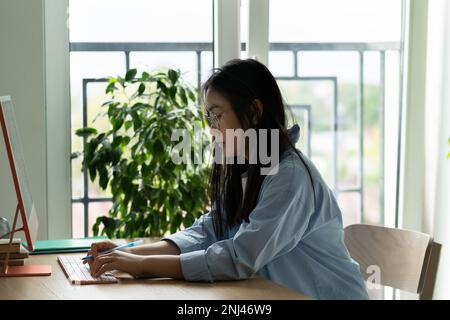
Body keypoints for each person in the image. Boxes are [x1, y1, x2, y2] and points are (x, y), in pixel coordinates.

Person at [85, 58, 369, 300]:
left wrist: (141, 265)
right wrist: (129, 252)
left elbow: (238, 257)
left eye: (217, 116)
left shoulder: (290, 176)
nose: (212, 129)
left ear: (253, 112)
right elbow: (208, 231)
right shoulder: (249, 166)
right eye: (209, 119)